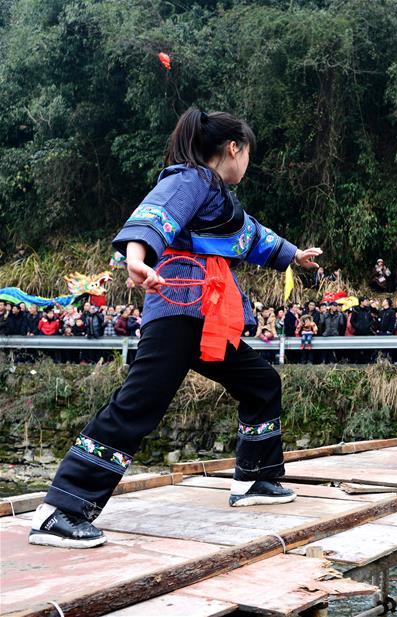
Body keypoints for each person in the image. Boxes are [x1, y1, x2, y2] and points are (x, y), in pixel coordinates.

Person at [30, 108, 322, 549]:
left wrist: (292, 255)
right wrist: (136, 257)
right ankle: (62, 510)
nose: (247, 162)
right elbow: (156, 213)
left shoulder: (217, 197)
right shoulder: (192, 180)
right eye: (248, 154)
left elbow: (250, 235)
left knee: (262, 382)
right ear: (233, 148)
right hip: (176, 310)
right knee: (137, 405)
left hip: (205, 318)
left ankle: (256, 479)